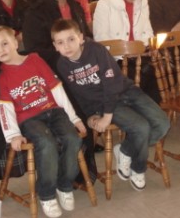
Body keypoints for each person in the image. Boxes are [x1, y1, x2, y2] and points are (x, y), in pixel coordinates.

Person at [52, 19, 170, 192]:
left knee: (162, 123)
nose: (67, 46)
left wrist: (107, 117)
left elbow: (111, 84)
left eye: (71, 39)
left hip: (126, 91)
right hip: (102, 103)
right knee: (141, 127)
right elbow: (76, 95)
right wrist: (90, 115)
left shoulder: (96, 50)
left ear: (81, 38)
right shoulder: (62, 65)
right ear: (55, 46)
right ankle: (138, 168)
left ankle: (125, 150)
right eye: (60, 42)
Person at [0, 26, 85, 218]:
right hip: (28, 119)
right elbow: (5, 109)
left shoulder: (35, 60)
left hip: (54, 111)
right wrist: (13, 135)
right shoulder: (2, 77)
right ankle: (47, 194)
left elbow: (57, 89)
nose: (1, 50)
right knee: (46, 143)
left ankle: (64, 185)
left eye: (5, 43)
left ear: (16, 43)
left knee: (73, 138)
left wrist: (74, 118)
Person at [92, 0, 158, 101]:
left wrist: (149, 47)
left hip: (139, 55)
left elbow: (147, 30)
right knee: (138, 77)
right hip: (116, 59)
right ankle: (139, 107)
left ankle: (151, 108)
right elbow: (101, 40)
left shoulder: (142, 2)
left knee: (157, 73)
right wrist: (127, 51)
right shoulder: (104, 5)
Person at [23, 0, 91, 70]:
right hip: (54, 68)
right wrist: (69, 59)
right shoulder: (35, 13)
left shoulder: (76, 7)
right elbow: (35, 51)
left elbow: (86, 35)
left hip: (82, 63)